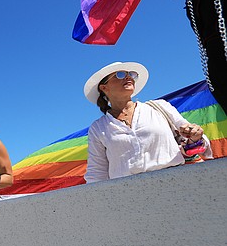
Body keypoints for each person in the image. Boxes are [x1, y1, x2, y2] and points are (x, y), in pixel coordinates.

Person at [83, 61, 212, 182]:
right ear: (104, 88)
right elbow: (97, 172)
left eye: (131, 74)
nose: (128, 77)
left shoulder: (160, 107)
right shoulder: (98, 128)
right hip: (128, 194)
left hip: (176, 182)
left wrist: (195, 136)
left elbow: (199, 143)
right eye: (120, 74)